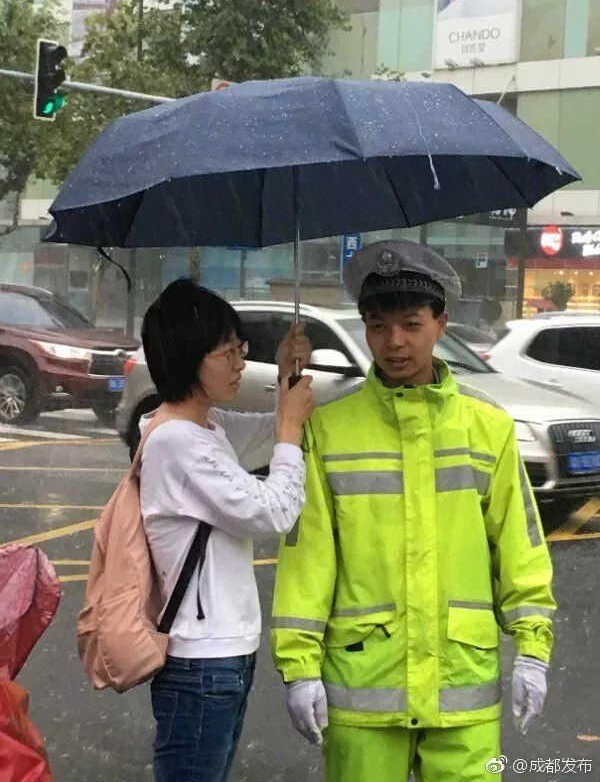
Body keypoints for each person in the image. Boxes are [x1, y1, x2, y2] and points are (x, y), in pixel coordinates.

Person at [271, 240, 555, 782]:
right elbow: (308, 561)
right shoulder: (328, 429)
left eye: (411, 324)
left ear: (441, 323)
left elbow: (519, 548)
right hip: (363, 688)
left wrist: (533, 648)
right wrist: (299, 667)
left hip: (461, 687)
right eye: (378, 326)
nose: (394, 342)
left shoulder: (488, 427)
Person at [139, 278, 314, 782]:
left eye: (241, 348)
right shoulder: (176, 441)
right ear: (187, 358)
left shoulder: (205, 428)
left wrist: (286, 377)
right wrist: (290, 430)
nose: (240, 363)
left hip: (222, 654)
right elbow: (274, 512)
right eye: (227, 352)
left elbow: (267, 434)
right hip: (200, 661)